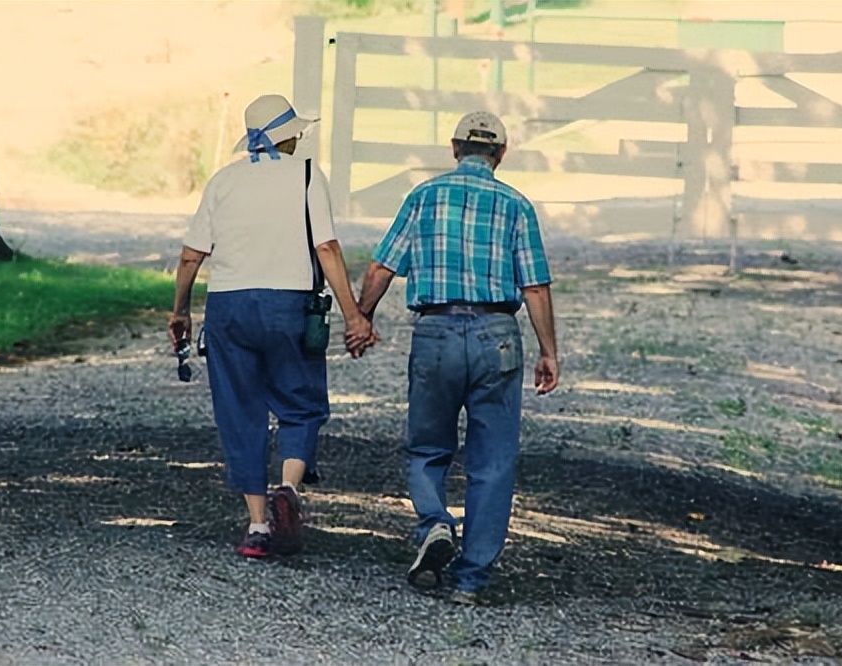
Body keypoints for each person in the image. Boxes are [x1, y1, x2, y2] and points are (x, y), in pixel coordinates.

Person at [356, 111, 558, 604]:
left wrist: (361, 317)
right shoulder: (516, 205)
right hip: (497, 335)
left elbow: (383, 267)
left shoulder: (423, 197)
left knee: (427, 446)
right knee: (493, 460)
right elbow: (534, 284)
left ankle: (434, 524)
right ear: (501, 155)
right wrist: (549, 351)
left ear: (453, 148)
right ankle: (471, 580)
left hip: (437, 331)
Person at [168, 94, 372, 560]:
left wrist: (180, 310)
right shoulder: (305, 175)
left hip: (229, 308)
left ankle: (258, 525)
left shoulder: (223, 181)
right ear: (288, 135)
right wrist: (353, 315)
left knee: (241, 411)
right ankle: (289, 489)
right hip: (289, 304)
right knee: (300, 404)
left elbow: (190, 255)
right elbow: (327, 249)